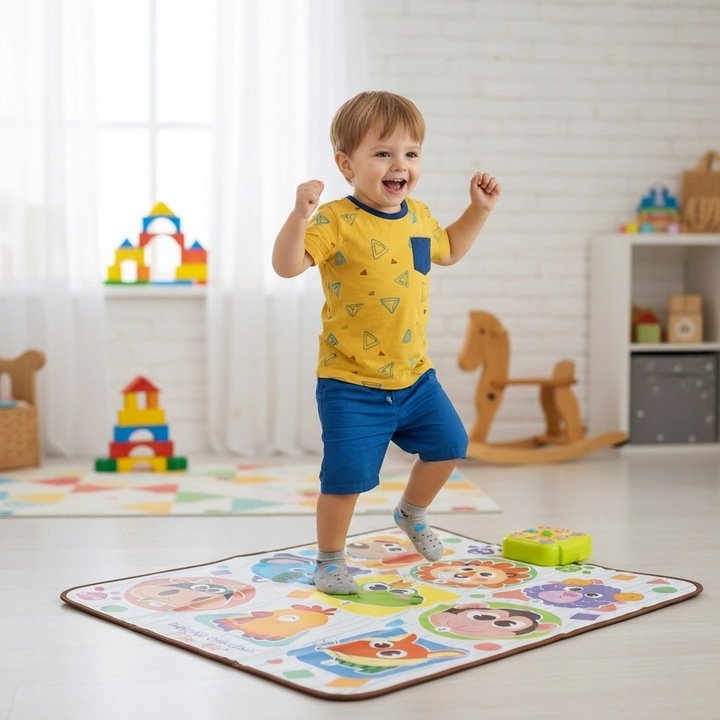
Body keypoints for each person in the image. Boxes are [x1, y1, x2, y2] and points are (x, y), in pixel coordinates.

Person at [272, 91, 501, 595]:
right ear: (346, 165)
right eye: (383, 153)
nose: (400, 165)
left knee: (450, 445)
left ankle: (411, 513)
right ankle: (330, 560)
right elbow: (287, 266)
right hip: (351, 383)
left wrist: (478, 210)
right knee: (345, 479)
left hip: (414, 376)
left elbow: (450, 249)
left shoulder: (418, 215)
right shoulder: (335, 220)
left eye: (410, 153)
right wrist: (299, 216)